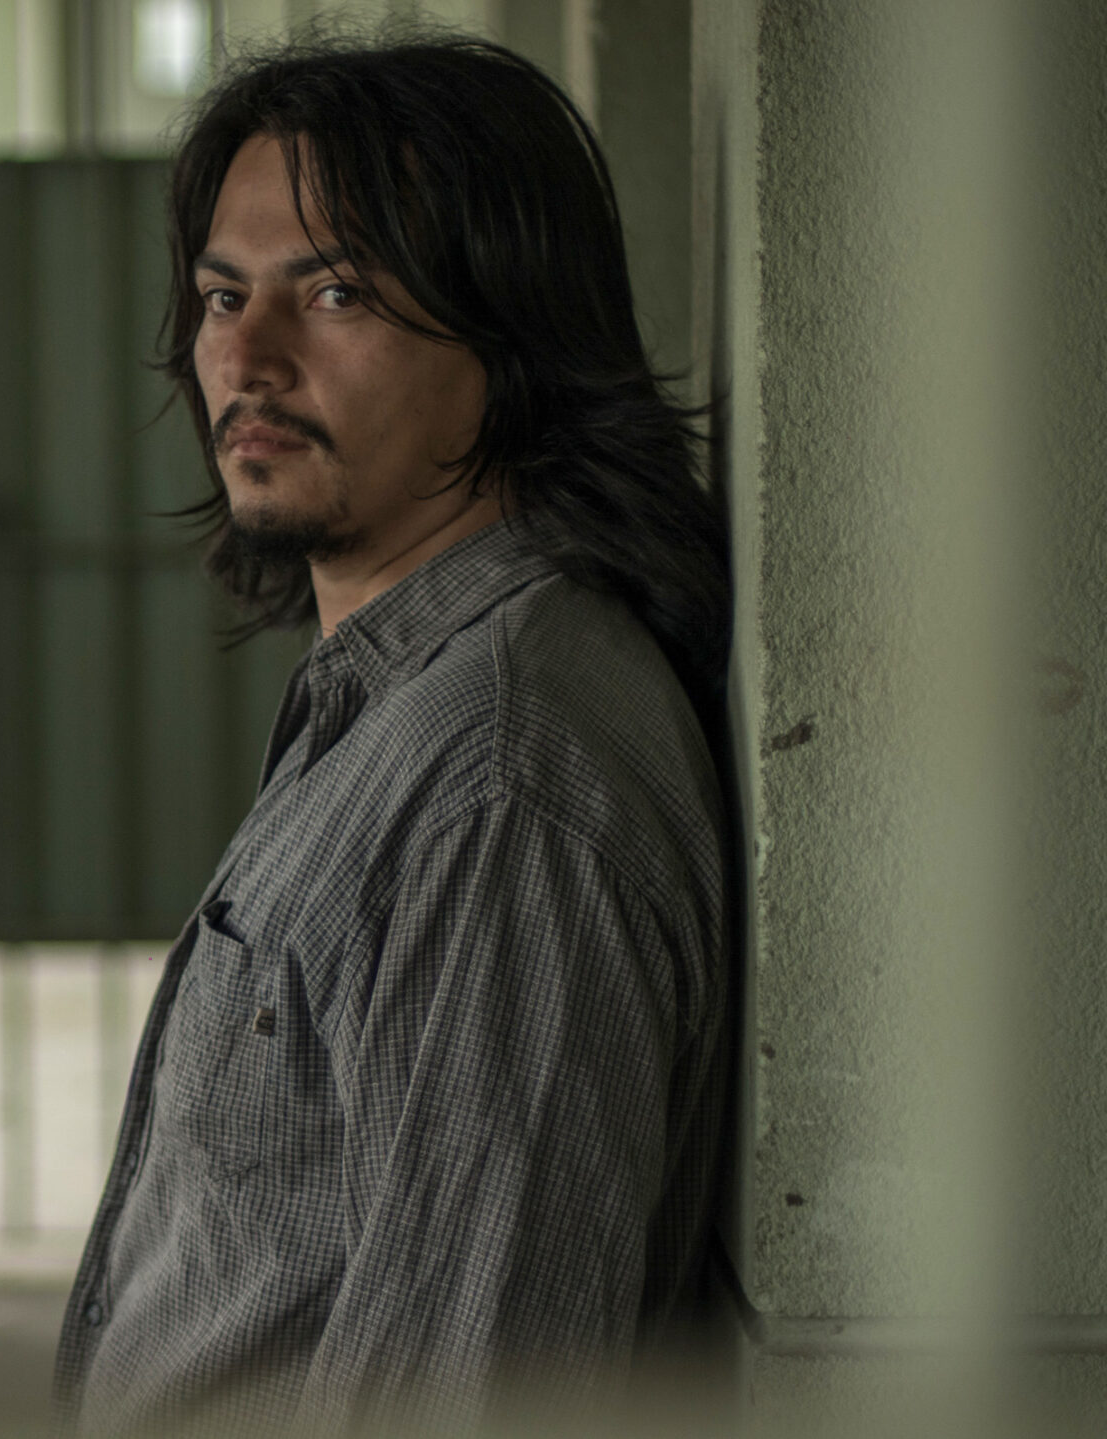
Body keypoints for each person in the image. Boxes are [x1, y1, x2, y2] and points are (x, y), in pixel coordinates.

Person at [52, 35, 733, 1437]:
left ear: (513, 343)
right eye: (224, 295)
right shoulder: (396, 698)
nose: (247, 357)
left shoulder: (504, 781)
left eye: (338, 292)